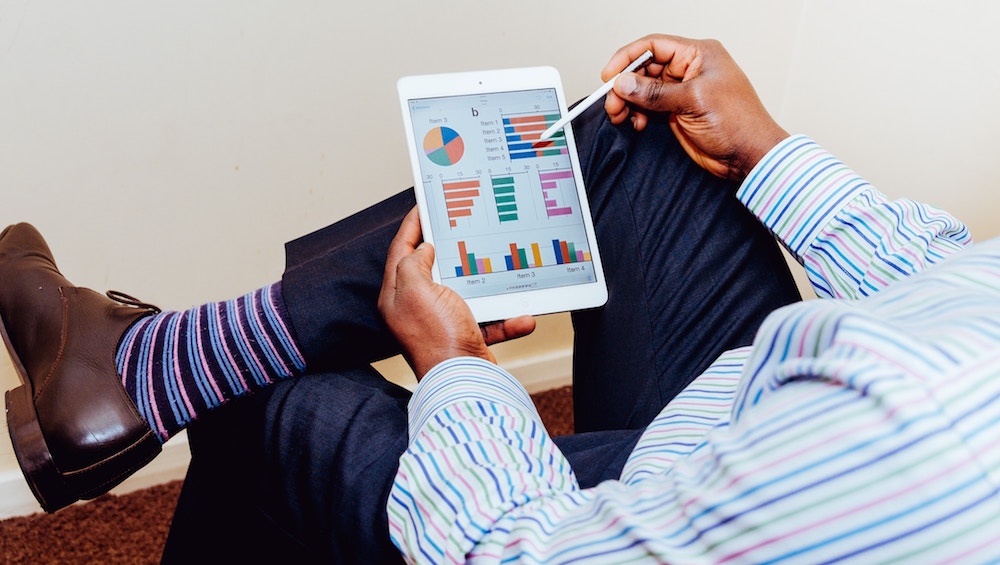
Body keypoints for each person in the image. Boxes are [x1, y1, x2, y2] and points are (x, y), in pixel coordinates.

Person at [0, 32, 986, 562]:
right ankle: (142, 368)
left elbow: (519, 553)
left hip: (685, 507)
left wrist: (459, 374)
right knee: (627, 130)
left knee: (284, 406)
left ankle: (153, 370)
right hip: (774, 414)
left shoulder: (930, 445)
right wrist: (766, 147)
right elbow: (951, 298)